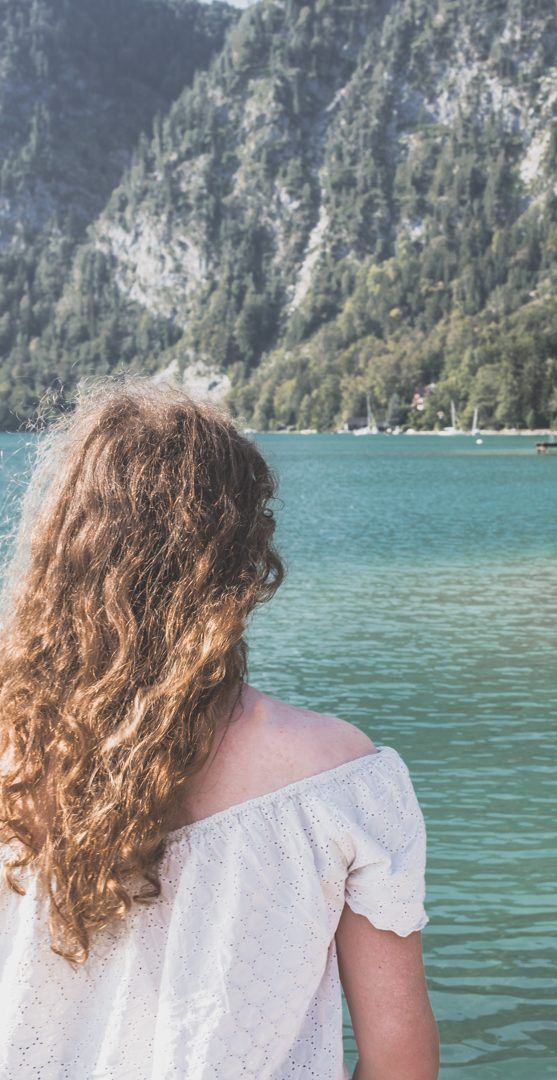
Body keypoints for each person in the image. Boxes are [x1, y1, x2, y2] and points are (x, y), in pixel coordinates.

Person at [0, 376, 439, 1080]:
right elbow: (400, 1062)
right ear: (241, 560)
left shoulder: (13, 757)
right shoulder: (342, 781)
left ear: (67, 548)